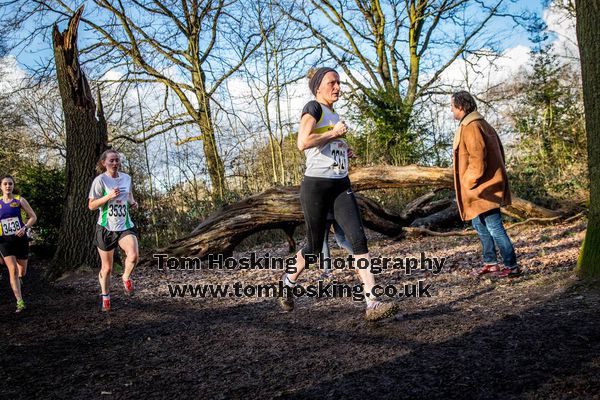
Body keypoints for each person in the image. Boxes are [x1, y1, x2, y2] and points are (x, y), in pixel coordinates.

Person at [279, 67, 400, 321]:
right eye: (332, 83)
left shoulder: (334, 113)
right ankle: (287, 283)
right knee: (312, 248)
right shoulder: (313, 108)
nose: (337, 87)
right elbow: (303, 142)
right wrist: (334, 134)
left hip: (340, 185)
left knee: (359, 239)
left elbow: (326, 144)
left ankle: (372, 303)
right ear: (318, 87)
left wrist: (343, 149)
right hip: (316, 188)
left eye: (339, 83)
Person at [450, 91, 519, 278]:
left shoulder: (472, 126)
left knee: (494, 227)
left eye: (452, 106)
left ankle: (511, 266)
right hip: (480, 190)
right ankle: (491, 262)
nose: (451, 110)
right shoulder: (477, 123)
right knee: (480, 225)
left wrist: (468, 181)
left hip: (483, 189)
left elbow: (478, 159)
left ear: (461, 107)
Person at [88, 150, 139, 312]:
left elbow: (128, 194)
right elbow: (91, 205)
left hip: (124, 225)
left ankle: (125, 277)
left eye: (117, 160)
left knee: (133, 255)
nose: (115, 163)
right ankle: (106, 297)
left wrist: (133, 202)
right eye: (111, 161)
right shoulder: (100, 180)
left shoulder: (126, 178)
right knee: (107, 268)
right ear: (104, 163)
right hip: (105, 227)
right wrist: (108, 196)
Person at [0, 175, 37, 313]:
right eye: (5, 184)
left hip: (20, 239)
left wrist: (25, 228)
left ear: (13, 186)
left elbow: (33, 216)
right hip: (4, 241)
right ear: (1, 186)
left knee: (22, 271)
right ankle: (19, 301)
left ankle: (19, 279)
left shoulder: (19, 200)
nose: (8, 186)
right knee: (13, 270)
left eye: (10, 184)